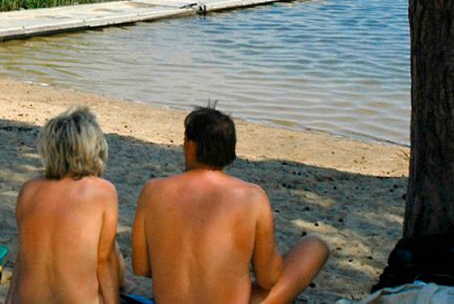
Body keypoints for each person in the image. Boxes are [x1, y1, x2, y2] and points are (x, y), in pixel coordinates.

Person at [131, 106, 329, 304]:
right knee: (314, 245)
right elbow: (269, 278)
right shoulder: (252, 197)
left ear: (190, 147)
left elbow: (141, 268)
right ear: (229, 151)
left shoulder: (153, 191)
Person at [8, 106, 123, 304]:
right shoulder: (102, 191)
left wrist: (10, 299)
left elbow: (23, 258)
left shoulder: (29, 189)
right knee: (113, 252)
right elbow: (104, 262)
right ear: (93, 148)